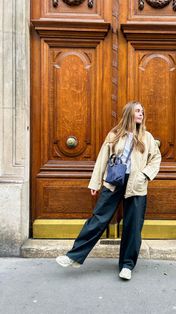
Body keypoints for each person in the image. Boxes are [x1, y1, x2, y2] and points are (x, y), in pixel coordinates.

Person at [56, 101, 162, 280]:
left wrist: (144, 175)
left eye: (142, 111)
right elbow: (102, 158)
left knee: (133, 225)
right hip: (114, 182)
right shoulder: (114, 135)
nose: (141, 114)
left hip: (136, 184)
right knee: (98, 219)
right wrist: (95, 183)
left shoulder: (147, 137)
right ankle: (74, 256)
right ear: (129, 113)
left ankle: (127, 265)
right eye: (137, 111)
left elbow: (156, 159)